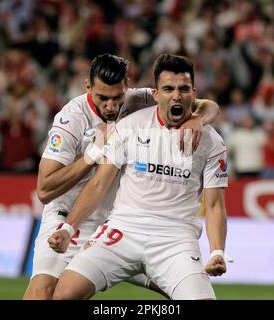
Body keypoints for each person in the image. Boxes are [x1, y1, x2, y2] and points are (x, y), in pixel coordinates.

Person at [23, 53, 220, 299]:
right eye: (102, 98)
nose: (111, 106)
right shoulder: (71, 118)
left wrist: (197, 119)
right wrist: (92, 153)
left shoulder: (139, 99)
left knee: (189, 292)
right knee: (44, 293)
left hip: (118, 224)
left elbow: (205, 104)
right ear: (88, 87)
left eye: (117, 97)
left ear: (127, 85)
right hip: (70, 217)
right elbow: (45, 189)